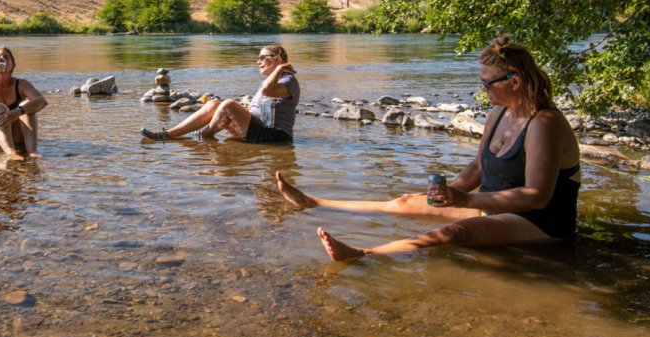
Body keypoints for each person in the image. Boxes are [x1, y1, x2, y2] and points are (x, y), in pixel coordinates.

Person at [277, 36, 580, 260]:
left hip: (540, 224)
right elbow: (478, 167)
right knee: (408, 201)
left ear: (514, 81)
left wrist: (466, 201)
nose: (483, 89)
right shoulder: (498, 114)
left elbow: (537, 197)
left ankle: (365, 253)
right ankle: (315, 202)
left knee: (455, 234)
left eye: (488, 83)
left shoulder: (545, 122)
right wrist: (451, 195)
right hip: (492, 209)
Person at [141, 44, 299, 143]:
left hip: (274, 136)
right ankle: (167, 134)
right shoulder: (267, 82)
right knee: (213, 104)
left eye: (262, 58)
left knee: (228, 104)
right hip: (258, 130)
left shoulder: (288, 80)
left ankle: (202, 135)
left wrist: (280, 68)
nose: (257, 62)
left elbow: (267, 92)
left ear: (277, 58)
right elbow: (257, 108)